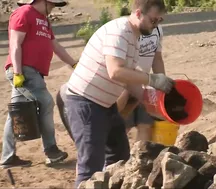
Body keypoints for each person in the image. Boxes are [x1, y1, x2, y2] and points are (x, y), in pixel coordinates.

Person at [63, 0, 173, 187]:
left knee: (119, 155)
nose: (156, 26)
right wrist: (152, 80)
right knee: (90, 168)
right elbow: (116, 71)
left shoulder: (134, 36)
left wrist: (150, 100)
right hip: (85, 103)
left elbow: (127, 79)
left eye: (159, 21)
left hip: (106, 104)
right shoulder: (119, 32)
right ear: (138, 13)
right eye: (153, 20)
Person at [1, 0, 76, 169]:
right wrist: (18, 72)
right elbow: (15, 43)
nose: (53, 8)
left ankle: (7, 157)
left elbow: (55, 46)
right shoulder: (24, 12)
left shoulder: (44, 20)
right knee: (46, 102)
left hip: (33, 72)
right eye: (52, 4)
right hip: (25, 71)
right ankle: (51, 151)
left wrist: (74, 64)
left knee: (16, 113)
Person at [124, 24, 165, 142]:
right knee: (123, 126)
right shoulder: (127, 29)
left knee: (145, 125)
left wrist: (162, 84)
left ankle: (140, 157)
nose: (157, 20)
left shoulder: (157, 29)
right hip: (125, 86)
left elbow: (157, 58)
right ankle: (116, 159)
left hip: (146, 86)